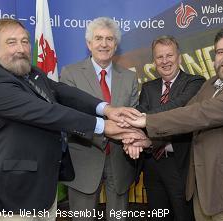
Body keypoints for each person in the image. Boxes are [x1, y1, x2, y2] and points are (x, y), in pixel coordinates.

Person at [0, 18, 143, 221]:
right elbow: (47, 112)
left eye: (24, 41)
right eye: (11, 42)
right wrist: (102, 125)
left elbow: (63, 91)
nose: (21, 48)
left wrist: (106, 109)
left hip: (44, 188)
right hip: (15, 194)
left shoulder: (31, 73)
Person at [123, 26, 223, 221]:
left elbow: (201, 113)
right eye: (220, 52)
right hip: (206, 195)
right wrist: (147, 141)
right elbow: (185, 116)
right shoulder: (213, 83)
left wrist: (146, 120)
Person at [60, 17, 139, 221]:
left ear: (116, 44)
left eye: (109, 39)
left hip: (120, 161)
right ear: (89, 44)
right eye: (98, 38)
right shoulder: (70, 74)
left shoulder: (129, 77)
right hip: (84, 160)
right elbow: (69, 117)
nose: (104, 44)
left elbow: (133, 116)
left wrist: (132, 138)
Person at [135, 35, 205, 221]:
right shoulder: (148, 88)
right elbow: (140, 123)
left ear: (179, 57)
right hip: (152, 164)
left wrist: (143, 118)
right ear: (154, 61)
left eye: (169, 55)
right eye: (159, 57)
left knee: (183, 215)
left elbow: (178, 106)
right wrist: (130, 122)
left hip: (180, 164)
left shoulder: (195, 82)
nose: (165, 61)